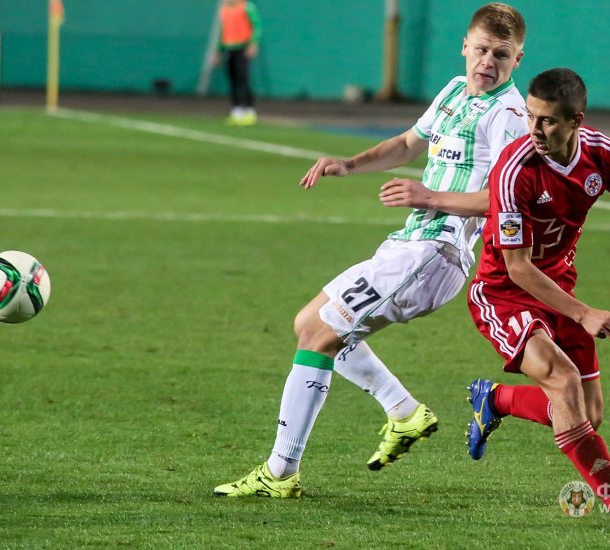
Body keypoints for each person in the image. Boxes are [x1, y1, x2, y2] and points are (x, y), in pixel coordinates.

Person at [380, 68, 610, 531]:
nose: (534, 129)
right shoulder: (514, 169)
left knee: (589, 415)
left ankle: (496, 399)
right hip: (503, 295)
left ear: (576, 121)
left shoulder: (603, 154)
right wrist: (585, 313)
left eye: (547, 120)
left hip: (558, 291)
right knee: (565, 383)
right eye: (530, 116)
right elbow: (518, 268)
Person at [214, 3, 530, 498]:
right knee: (309, 322)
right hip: (411, 241)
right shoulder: (454, 90)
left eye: (502, 55)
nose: (488, 62)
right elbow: (407, 143)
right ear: (465, 46)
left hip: (437, 253)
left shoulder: (509, 115)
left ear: (517, 60)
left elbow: (505, 198)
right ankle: (404, 412)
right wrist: (349, 164)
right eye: (482, 49)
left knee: (319, 334)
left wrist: (430, 197)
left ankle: (280, 472)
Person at [211, 0, 262, 126]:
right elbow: (223, 31)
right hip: (229, 48)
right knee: (232, 80)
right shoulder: (224, 9)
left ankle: (249, 111)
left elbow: (257, 26)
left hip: (242, 48)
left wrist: (253, 43)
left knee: (243, 79)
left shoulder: (247, 7)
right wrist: (218, 50)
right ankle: (236, 111)